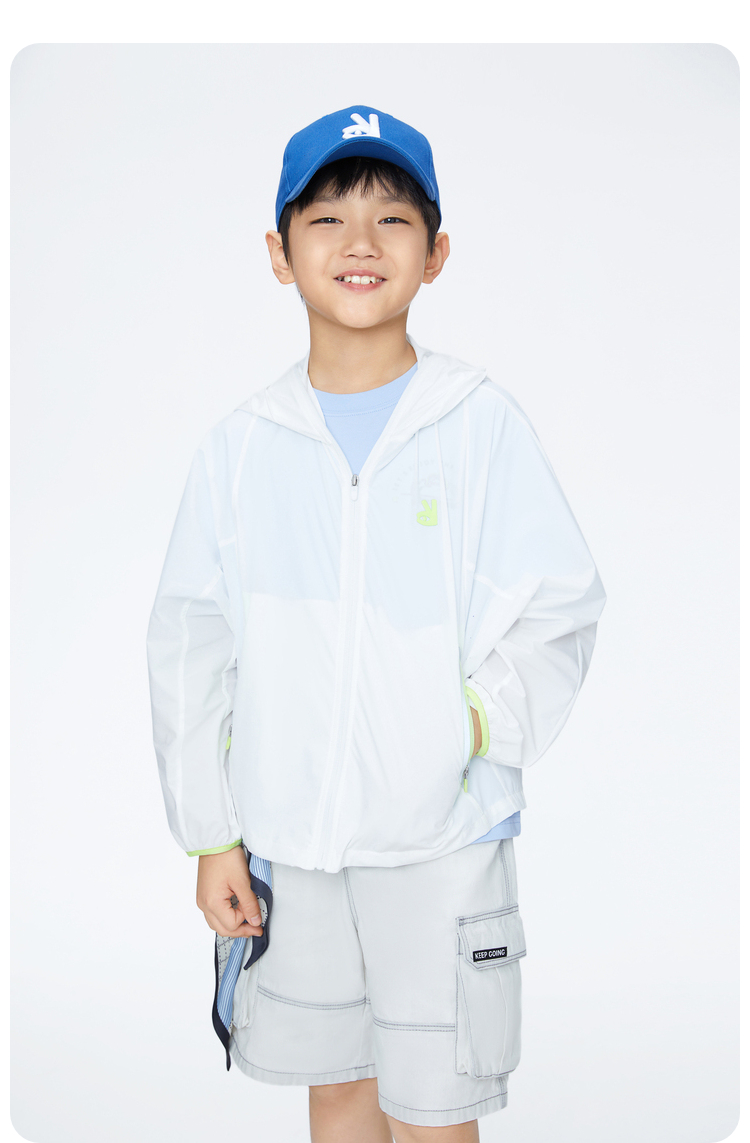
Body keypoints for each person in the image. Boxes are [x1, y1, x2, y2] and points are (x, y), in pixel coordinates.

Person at [146, 104, 606, 1142]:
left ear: (435, 254)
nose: (360, 242)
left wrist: (470, 724)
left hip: (441, 839)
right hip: (291, 843)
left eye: (393, 218)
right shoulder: (242, 447)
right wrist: (212, 834)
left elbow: (561, 601)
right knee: (339, 1086)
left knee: (437, 1105)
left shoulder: (477, 424)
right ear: (279, 253)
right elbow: (189, 643)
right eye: (326, 219)